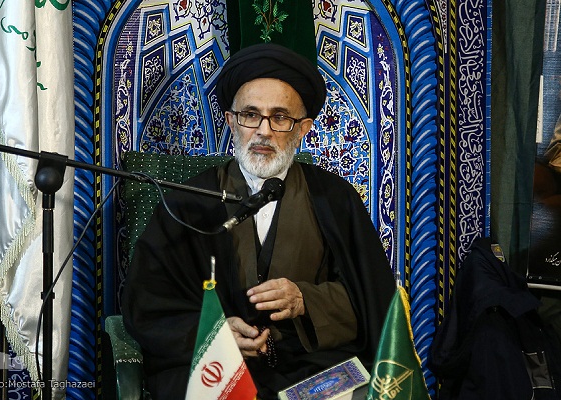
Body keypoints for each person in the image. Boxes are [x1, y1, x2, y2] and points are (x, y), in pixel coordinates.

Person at [121, 43, 396, 399]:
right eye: (251, 115)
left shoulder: (334, 198)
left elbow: (373, 298)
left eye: (280, 117)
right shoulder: (188, 202)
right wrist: (214, 334)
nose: (264, 130)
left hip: (309, 363)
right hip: (214, 362)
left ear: (303, 128)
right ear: (231, 121)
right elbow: (149, 304)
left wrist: (306, 300)